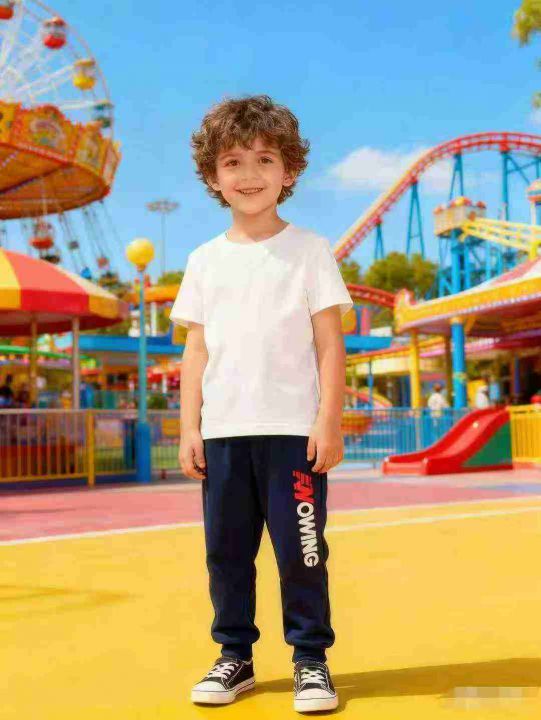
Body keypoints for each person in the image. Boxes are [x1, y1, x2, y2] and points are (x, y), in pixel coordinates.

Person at [170, 95, 353, 713]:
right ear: (212, 176)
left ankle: (311, 659)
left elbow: (329, 342)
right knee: (226, 553)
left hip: (292, 434)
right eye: (233, 162)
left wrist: (328, 420)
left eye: (265, 159)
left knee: (302, 552)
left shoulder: (310, 250)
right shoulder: (203, 261)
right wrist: (188, 427)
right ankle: (235, 656)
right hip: (223, 435)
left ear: (289, 170)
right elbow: (196, 349)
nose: (249, 174)